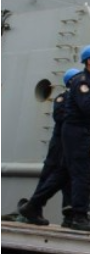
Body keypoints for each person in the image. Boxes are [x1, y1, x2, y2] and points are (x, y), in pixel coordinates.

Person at [19, 45, 90, 231]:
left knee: (63, 174)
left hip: (81, 132)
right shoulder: (82, 82)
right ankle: (79, 216)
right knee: (82, 174)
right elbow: (87, 106)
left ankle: (33, 206)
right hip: (76, 132)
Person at [2, 69, 80, 224]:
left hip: (71, 143)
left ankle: (69, 214)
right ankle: (32, 208)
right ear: (72, 82)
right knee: (51, 175)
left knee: (69, 177)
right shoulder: (63, 98)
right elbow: (61, 117)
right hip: (60, 145)